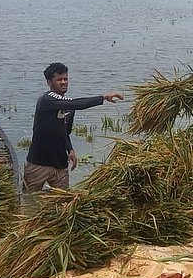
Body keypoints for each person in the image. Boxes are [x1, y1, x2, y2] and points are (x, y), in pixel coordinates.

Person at [24, 63, 123, 193]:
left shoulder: (69, 106)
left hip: (60, 164)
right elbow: (78, 104)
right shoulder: (46, 100)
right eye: (59, 79)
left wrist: (70, 149)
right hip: (38, 164)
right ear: (49, 82)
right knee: (28, 198)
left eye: (65, 79)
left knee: (61, 201)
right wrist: (103, 98)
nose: (63, 82)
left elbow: (65, 132)